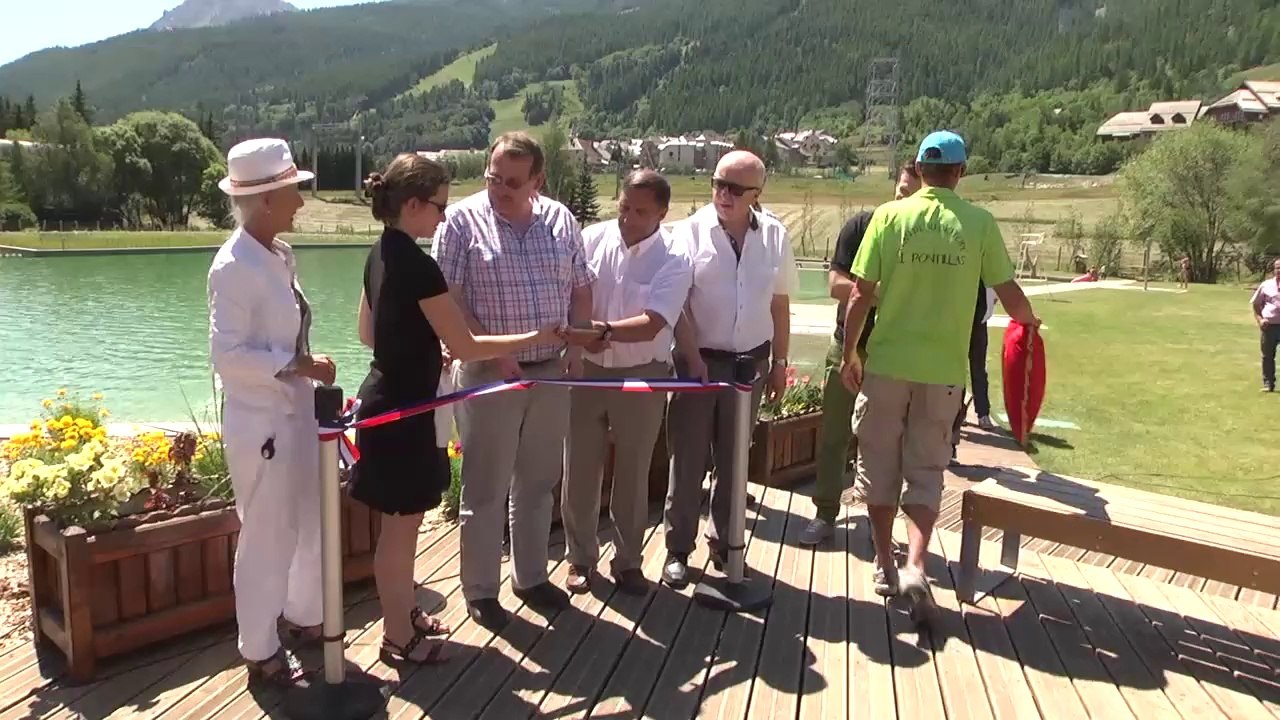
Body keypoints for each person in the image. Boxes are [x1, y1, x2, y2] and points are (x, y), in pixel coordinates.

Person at [352, 154, 563, 663]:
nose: (444, 217)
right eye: (439, 207)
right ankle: (399, 639)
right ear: (413, 204)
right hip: (404, 412)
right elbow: (467, 346)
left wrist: (420, 340)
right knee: (402, 535)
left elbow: (366, 332)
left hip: (385, 399)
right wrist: (536, 335)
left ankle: (401, 618)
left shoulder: (379, 251)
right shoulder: (419, 265)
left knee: (398, 530)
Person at [839, 131, 1039, 607]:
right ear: (961, 172)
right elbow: (1008, 292)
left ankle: (884, 564)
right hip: (944, 371)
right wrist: (1030, 321)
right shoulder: (979, 223)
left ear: (918, 168)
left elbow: (860, 293)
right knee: (926, 469)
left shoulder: (889, 216)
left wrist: (851, 353)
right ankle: (916, 564)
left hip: (886, 365)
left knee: (878, 465)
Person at [432, 132, 595, 629]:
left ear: (537, 181)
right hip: (487, 372)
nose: (499, 188)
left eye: (512, 181)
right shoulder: (460, 222)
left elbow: (581, 286)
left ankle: (530, 577)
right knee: (483, 487)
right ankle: (481, 589)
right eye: (493, 177)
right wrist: (500, 354)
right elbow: (450, 300)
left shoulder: (561, 220)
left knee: (538, 482)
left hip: (552, 371)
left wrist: (577, 349)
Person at [207, 138, 334, 687]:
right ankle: (258, 646)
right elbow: (226, 356)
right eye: (291, 193)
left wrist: (302, 374)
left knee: (309, 520)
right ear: (263, 201)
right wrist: (298, 365)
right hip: (262, 423)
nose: (300, 204)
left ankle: (305, 616)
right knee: (266, 534)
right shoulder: (233, 267)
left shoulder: (277, 254)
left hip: (296, 415)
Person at [662, 151, 798, 588]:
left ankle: (724, 544)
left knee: (734, 460)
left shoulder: (775, 235)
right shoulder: (688, 233)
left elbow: (780, 303)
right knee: (687, 460)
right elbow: (677, 304)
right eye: (718, 183)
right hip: (696, 363)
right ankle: (677, 551)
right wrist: (694, 359)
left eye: (735, 189)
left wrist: (779, 363)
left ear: (757, 194)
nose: (723, 194)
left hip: (750, 365)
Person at [560, 170, 692, 596]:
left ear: (662, 213)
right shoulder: (590, 239)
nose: (628, 219)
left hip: (644, 374)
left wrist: (599, 330)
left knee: (634, 473)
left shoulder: (676, 257)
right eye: (623, 207)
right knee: (579, 468)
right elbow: (569, 297)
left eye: (640, 211)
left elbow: (655, 324)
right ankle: (579, 560)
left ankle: (629, 561)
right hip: (588, 373)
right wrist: (577, 351)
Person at [800, 165, 921, 546]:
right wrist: (881, 291)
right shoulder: (862, 225)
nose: (904, 199)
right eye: (902, 190)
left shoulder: (925, 242)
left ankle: (880, 525)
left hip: (896, 352)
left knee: (888, 443)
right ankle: (824, 514)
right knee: (834, 434)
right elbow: (835, 284)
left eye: (914, 194)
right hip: (847, 345)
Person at [1251, 257, 1280, 393]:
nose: (1279, 270)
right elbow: (1256, 304)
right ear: (1274, 270)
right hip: (1269, 327)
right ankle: (1268, 384)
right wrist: (1260, 320)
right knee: (1267, 356)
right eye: (1277, 267)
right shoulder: (1266, 285)